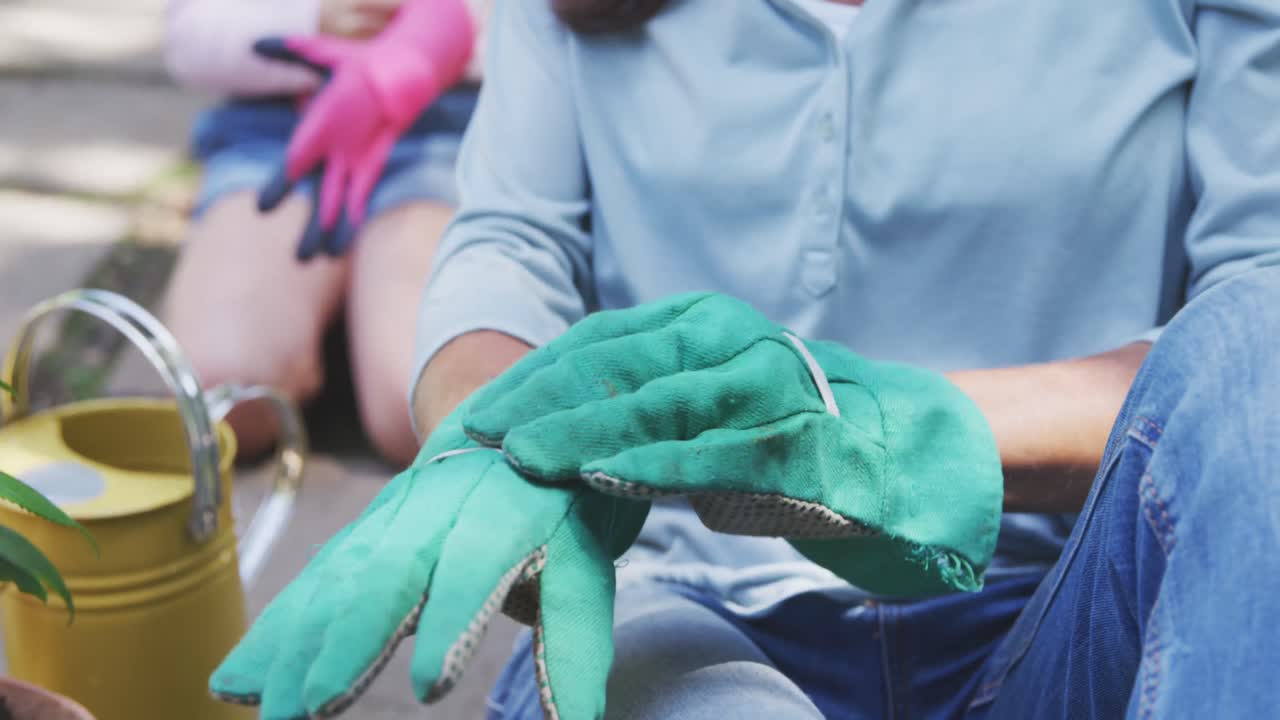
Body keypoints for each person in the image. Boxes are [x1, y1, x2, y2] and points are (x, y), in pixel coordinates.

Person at [208, 0, 1280, 718]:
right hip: (681, 610)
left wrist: (858, 431)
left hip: (1070, 612)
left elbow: (1250, 331)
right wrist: (491, 429)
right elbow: (513, 240)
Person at [160, 0, 488, 465]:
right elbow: (190, 35)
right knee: (222, 398)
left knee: (432, 411)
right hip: (278, 131)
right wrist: (312, 22)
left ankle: (357, 332)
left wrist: (431, 40)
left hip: (441, 128)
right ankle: (333, 327)